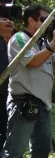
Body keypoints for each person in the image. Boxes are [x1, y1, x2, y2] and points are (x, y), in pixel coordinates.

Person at [3, 5, 55, 157]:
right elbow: (33, 62)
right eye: (44, 19)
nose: (49, 23)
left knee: (42, 150)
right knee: (15, 151)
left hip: (44, 105)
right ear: (31, 20)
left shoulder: (43, 43)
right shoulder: (20, 38)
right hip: (23, 102)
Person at [0, 14, 14, 148]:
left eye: (10, 19)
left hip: (7, 95)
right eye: (4, 19)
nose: (9, 21)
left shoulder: (13, 42)